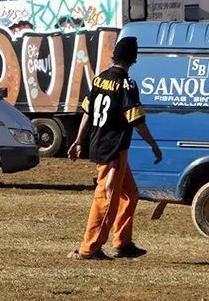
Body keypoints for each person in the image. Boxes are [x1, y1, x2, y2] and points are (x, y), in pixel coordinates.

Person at [67, 36, 163, 260]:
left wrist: (79, 140)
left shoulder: (100, 78)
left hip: (100, 143)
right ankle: (89, 248)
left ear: (114, 56)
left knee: (129, 194)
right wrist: (154, 146)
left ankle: (122, 243)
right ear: (133, 59)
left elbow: (87, 112)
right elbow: (136, 121)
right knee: (107, 198)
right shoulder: (127, 84)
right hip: (113, 149)